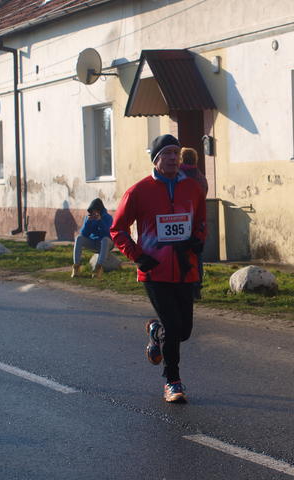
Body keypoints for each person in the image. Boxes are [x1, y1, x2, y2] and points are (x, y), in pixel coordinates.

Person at [111, 134, 207, 403]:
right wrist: (138, 256)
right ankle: (172, 382)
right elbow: (118, 229)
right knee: (174, 327)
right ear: (155, 160)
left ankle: (156, 331)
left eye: (176, 153)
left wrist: (198, 240)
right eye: (167, 154)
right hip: (154, 270)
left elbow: (201, 221)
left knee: (184, 331)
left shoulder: (192, 188)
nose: (174, 158)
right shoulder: (138, 191)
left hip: (186, 268)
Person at [180, 147, 208, 300]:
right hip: (198, 219)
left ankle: (184, 284)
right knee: (197, 254)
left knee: (181, 253)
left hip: (181, 219)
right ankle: (197, 286)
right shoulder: (200, 177)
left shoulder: (178, 175)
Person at [71, 198, 113, 279]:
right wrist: (88, 222)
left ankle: (98, 268)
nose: (94, 213)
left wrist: (100, 221)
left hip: (106, 244)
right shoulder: (88, 217)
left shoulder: (108, 218)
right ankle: (76, 267)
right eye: (92, 211)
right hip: (93, 243)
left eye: (95, 211)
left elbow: (108, 234)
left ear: (99, 210)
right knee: (79, 238)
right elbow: (84, 234)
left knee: (105, 239)